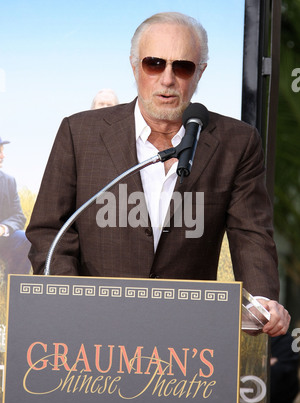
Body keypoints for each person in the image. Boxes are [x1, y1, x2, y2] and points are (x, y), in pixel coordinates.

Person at [26, 12, 290, 337]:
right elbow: (50, 230)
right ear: (135, 66)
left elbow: (251, 233)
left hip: (186, 342)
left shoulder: (237, 142)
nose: (167, 79)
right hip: (91, 336)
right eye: (154, 63)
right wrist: (73, 301)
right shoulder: (79, 133)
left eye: (182, 66)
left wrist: (260, 300)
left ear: (200, 72)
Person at [0, 137, 31, 277]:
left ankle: (14, 290)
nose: (3, 156)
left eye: (2, 151)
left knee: (25, 238)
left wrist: (3, 228)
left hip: (3, 240)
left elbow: (18, 216)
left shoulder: (9, 181)